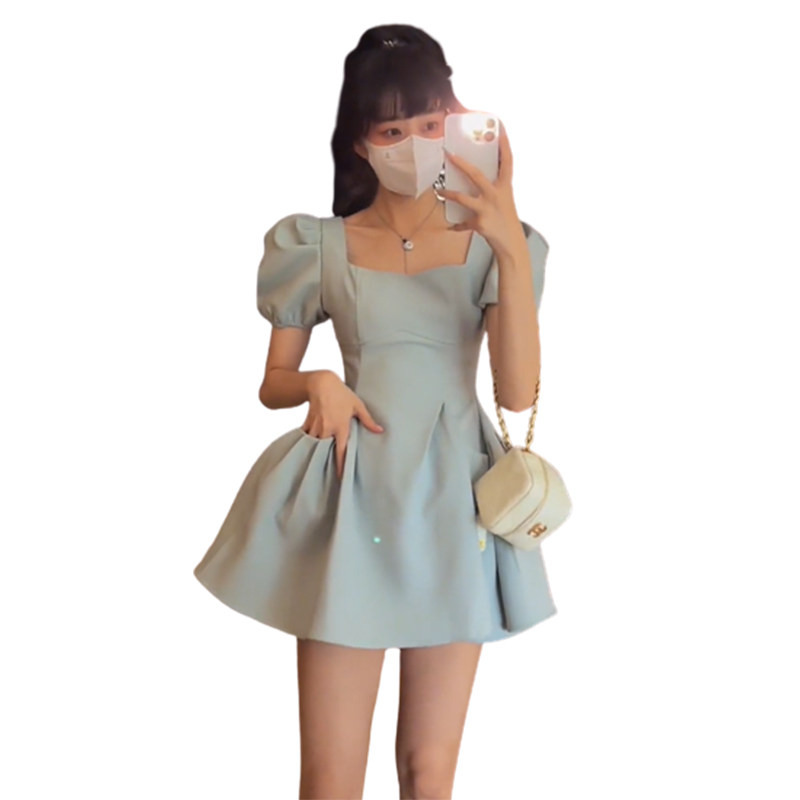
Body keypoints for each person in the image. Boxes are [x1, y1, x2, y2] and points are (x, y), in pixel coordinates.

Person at [193, 23, 557, 800]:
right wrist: (318, 381)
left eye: (430, 123)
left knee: (430, 773)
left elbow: (517, 394)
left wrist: (508, 244)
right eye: (392, 131)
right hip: (351, 502)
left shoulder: (501, 246)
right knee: (330, 778)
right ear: (359, 144)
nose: (414, 145)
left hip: (454, 505)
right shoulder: (317, 244)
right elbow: (273, 382)